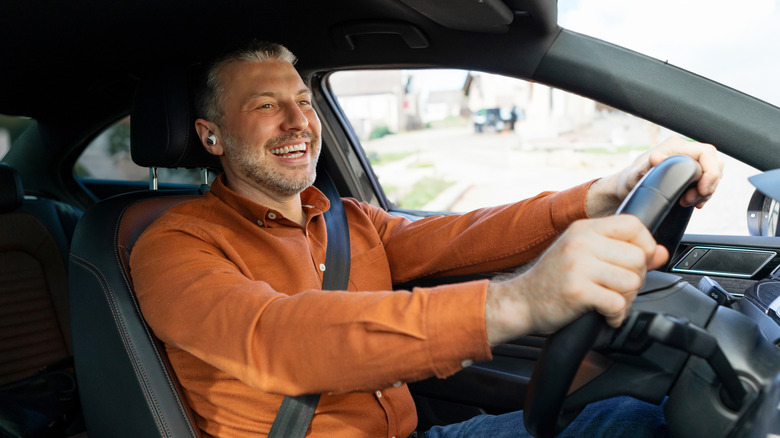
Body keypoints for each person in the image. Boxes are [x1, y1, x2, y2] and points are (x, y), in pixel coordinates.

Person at [129, 40, 723, 438]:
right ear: (210, 137)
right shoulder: (173, 246)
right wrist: (517, 301)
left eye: (304, 102)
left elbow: (463, 236)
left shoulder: (348, 219)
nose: (299, 123)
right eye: (266, 105)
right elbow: (277, 341)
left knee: (631, 419)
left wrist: (602, 193)